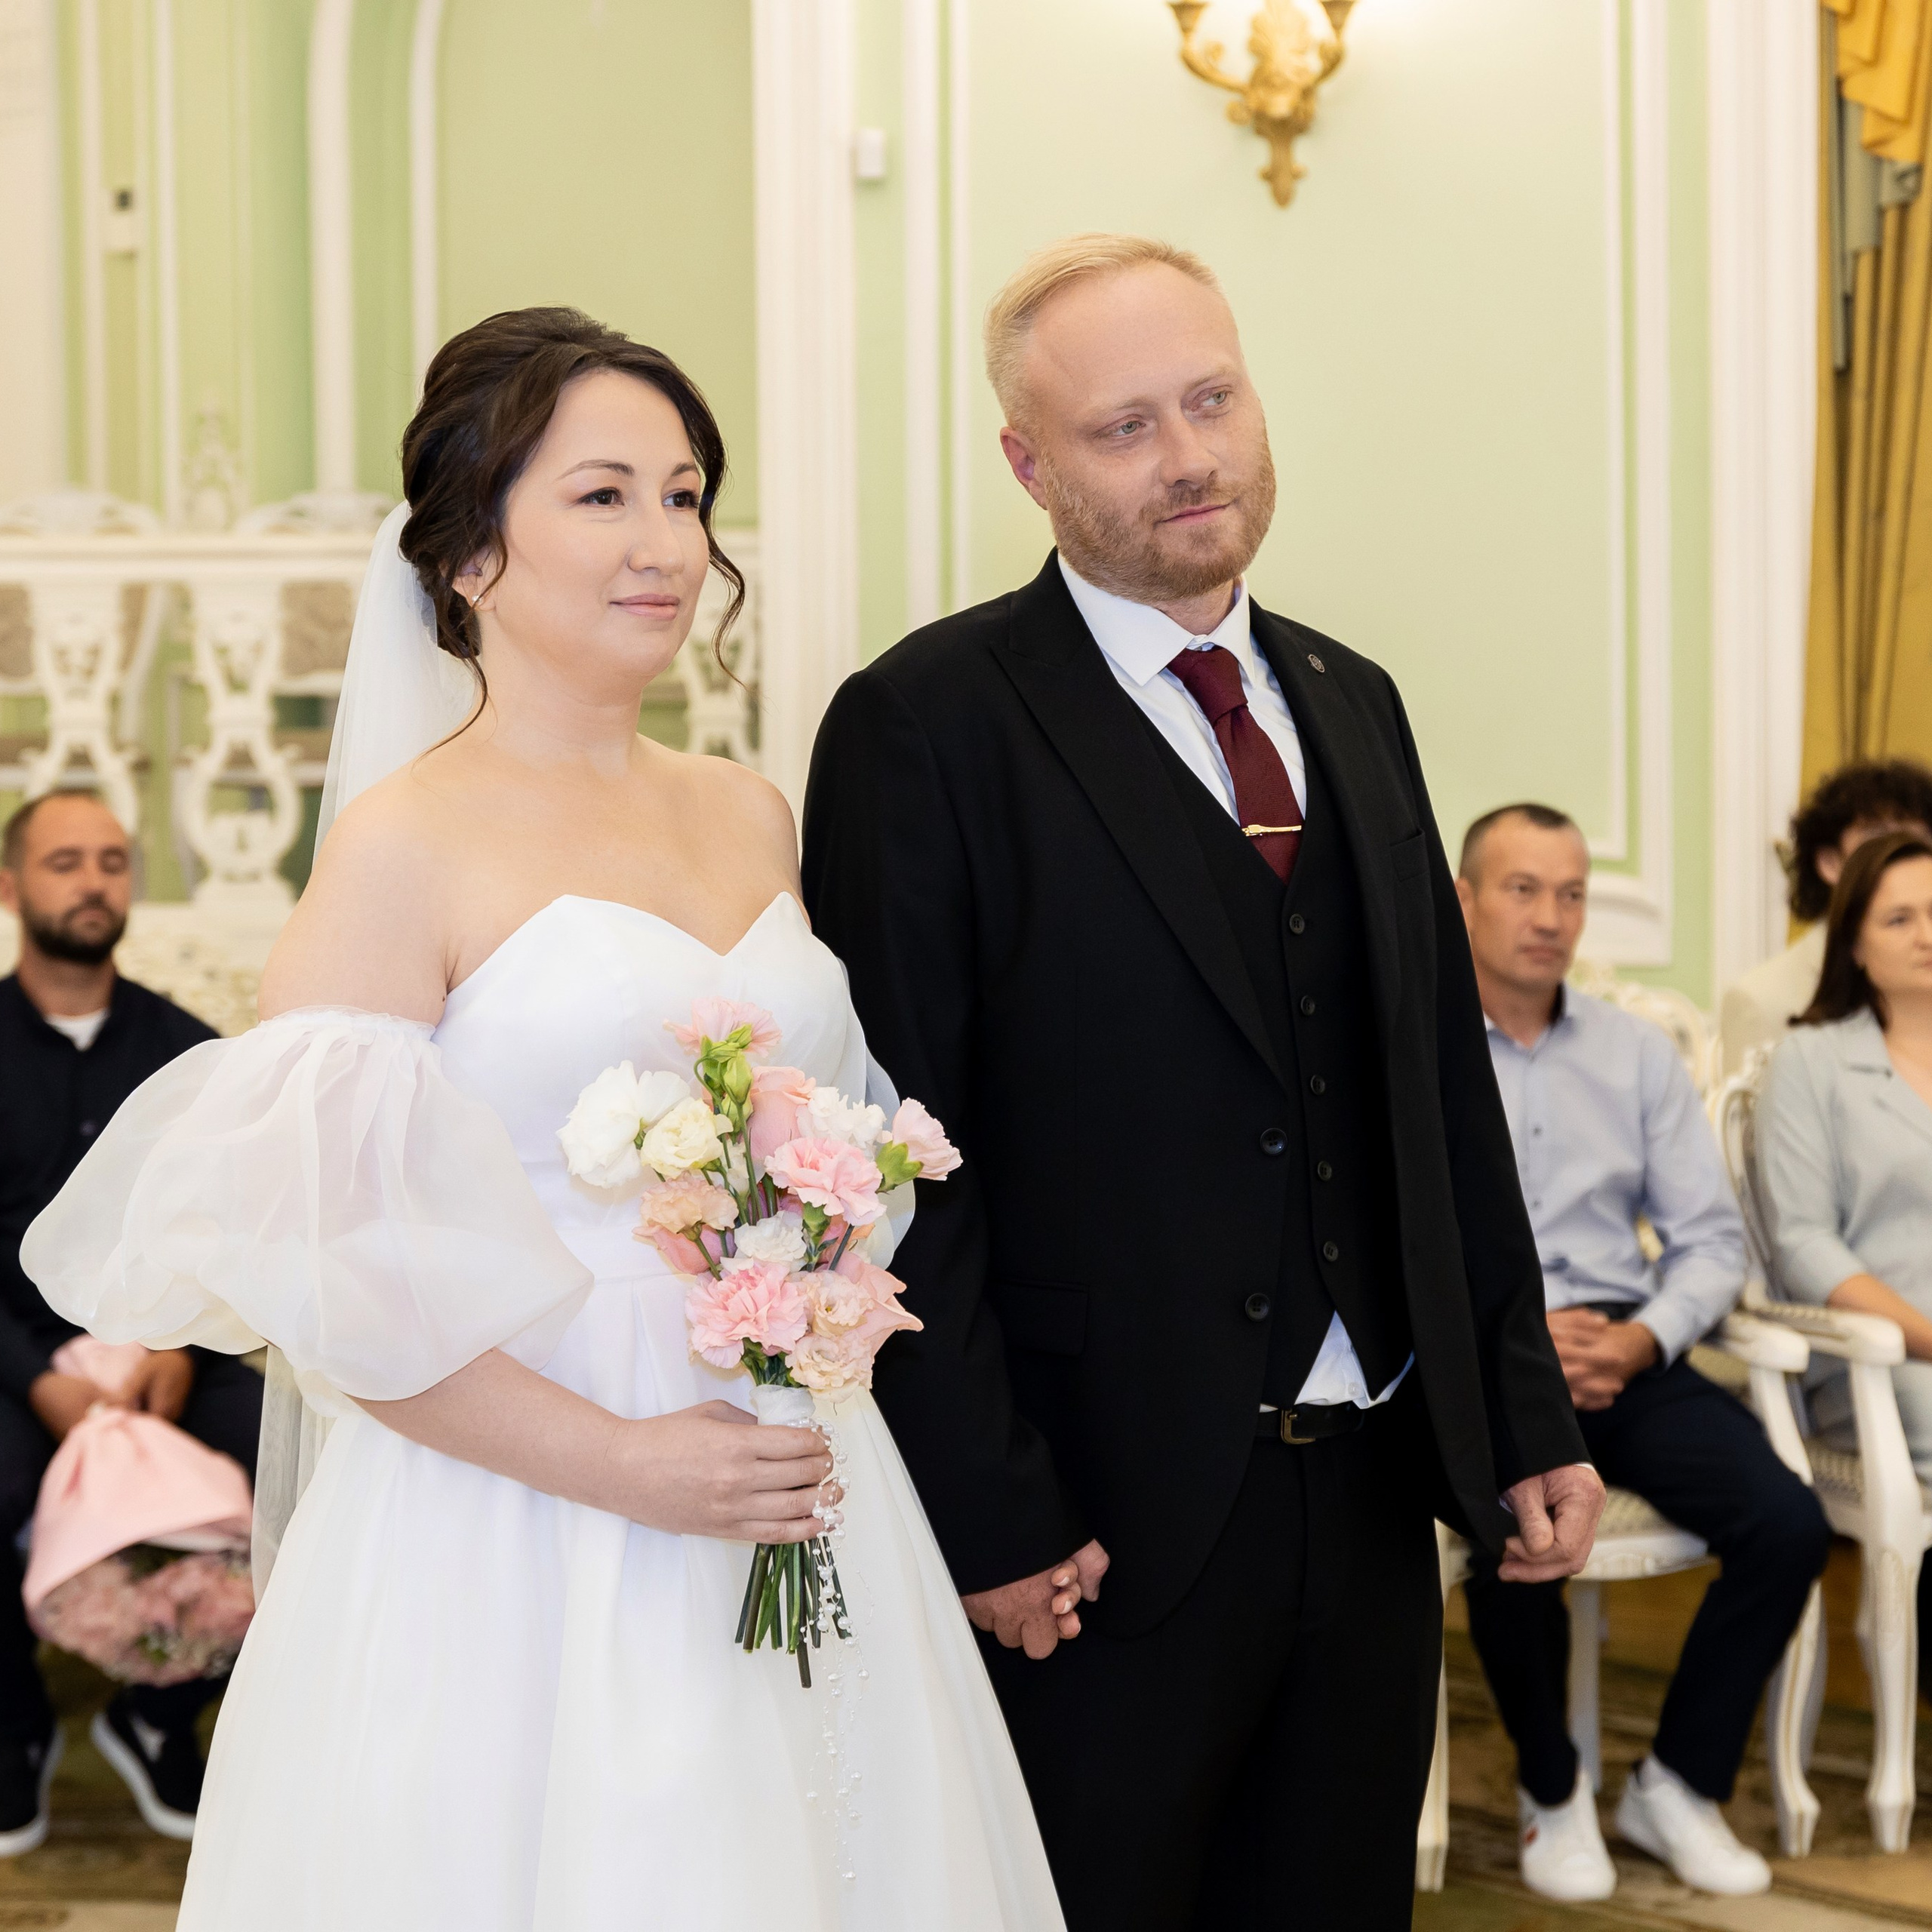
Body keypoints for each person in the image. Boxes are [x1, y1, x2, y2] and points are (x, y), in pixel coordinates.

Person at [21, 309, 1064, 1931]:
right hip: (517, 1515)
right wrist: (625, 1461)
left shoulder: (745, 807)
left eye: (686, 491)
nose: (664, 542)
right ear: (471, 550)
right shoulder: (401, 844)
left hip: (787, 1464)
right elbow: (332, 1277)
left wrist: (816, 1295)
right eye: (602, 495)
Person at [801, 232, 1601, 1931]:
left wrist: (1515, 1408)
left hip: (1374, 1486)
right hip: (1097, 1523)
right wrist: (988, 1509)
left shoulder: (1350, 698)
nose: (1188, 457)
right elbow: (892, 1159)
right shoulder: (921, 725)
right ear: (1026, 462)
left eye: (1212, 400)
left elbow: (1436, 1100)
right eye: (1122, 427)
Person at [1453, 803, 1830, 1903]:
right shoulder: (1410, 1051)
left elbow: (1711, 1241)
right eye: (1524, 889)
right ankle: (1552, 1787)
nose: (1552, 917)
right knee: (1514, 1527)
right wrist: (1503, 1344)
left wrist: (1638, 1335)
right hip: (1488, 1358)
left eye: (1572, 893)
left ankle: (1675, 1780)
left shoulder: (1635, 1055)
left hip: (1627, 1346)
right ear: (1466, 900)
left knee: (1787, 1522)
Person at [0, 791, 260, 1851]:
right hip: (15, 1355)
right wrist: (34, 1378)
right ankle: (14, 1726)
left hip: (168, 1349)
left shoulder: (190, 1049)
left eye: (112, 860)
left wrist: (173, 1345)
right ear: (13, 887)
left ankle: (157, 1715)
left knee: (287, 1466)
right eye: (66, 861)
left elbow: (229, 1227)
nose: (94, 881)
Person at [1756, 830, 1932, 1692]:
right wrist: (1926, 1336)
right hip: (1879, 1354)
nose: (1925, 933)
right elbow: (1802, 1242)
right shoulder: (1811, 1060)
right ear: (1854, 942)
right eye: (1899, 917)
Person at [1720, 759, 1932, 1075]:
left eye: (1914, 844)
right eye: (1877, 841)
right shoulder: (1763, 999)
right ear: (1830, 863)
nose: (1898, 860)